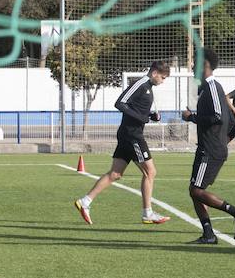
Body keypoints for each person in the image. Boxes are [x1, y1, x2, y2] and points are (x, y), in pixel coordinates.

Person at [73, 61, 171, 226]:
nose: (163, 81)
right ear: (154, 73)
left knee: (115, 174)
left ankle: (85, 201)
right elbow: (120, 103)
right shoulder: (140, 84)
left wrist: (151, 116)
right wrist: (141, 118)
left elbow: (138, 109)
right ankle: (147, 213)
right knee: (150, 172)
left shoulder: (148, 88)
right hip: (132, 135)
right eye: (162, 77)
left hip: (129, 134)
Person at [181, 49, 235, 243]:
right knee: (194, 190)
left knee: (196, 191)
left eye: (196, 63)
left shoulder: (212, 87)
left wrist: (191, 117)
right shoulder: (206, 88)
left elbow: (218, 117)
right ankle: (209, 234)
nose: (193, 66)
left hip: (210, 150)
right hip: (208, 146)